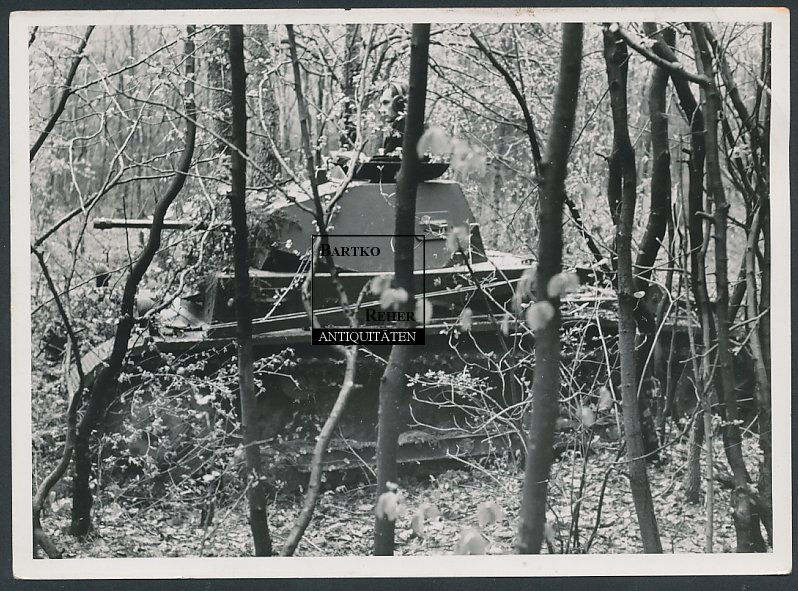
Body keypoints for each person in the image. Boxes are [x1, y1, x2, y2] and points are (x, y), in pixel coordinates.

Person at [378, 81, 408, 156]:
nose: (381, 109)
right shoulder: (400, 124)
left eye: (386, 103)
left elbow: (387, 160)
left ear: (399, 103)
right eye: (380, 104)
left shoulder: (402, 125)